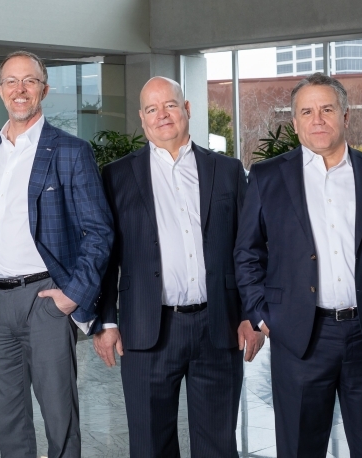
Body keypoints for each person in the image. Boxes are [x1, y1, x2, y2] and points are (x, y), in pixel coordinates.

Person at [234, 73, 362, 457]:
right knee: (299, 448)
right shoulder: (267, 177)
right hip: (299, 338)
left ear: (345, 115)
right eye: (307, 112)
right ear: (295, 122)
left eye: (327, 109)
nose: (318, 119)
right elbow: (247, 253)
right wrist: (264, 314)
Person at [92, 76, 261, 457]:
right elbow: (106, 255)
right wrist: (107, 322)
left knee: (218, 445)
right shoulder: (117, 176)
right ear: (142, 117)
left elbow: (248, 249)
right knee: (150, 445)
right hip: (146, 330)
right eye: (152, 109)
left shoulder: (227, 170)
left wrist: (252, 314)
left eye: (169, 105)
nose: (162, 115)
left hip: (218, 327)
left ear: (186, 108)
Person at [0, 50, 113, 458]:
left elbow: (99, 232)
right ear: (0, 90)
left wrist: (72, 296)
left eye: (29, 81)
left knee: (59, 417)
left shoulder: (70, 150)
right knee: (7, 421)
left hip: (45, 300)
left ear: (44, 89)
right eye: (11, 81)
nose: (20, 89)